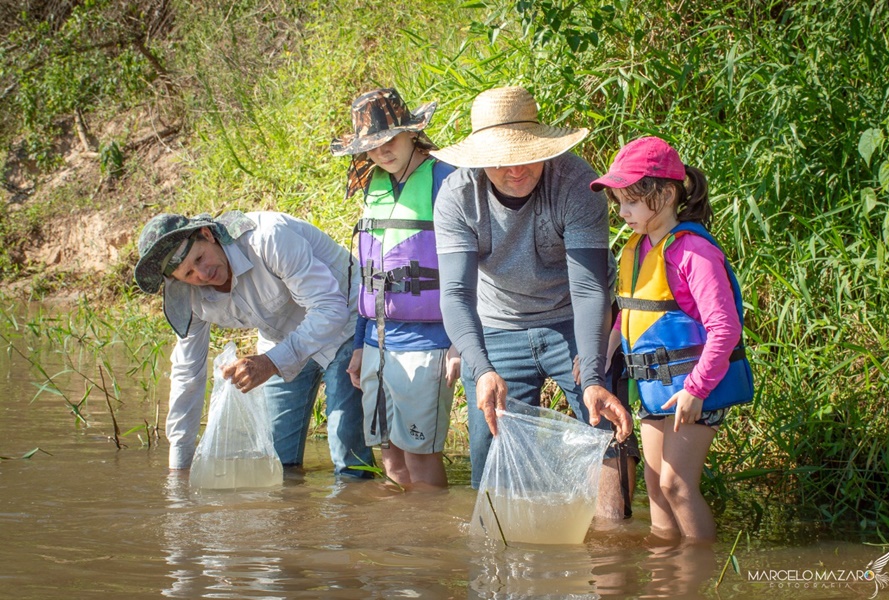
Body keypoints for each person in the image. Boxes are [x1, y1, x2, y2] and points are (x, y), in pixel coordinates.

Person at [430, 86, 638, 506]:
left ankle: (614, 544)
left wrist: (594, 375)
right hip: (498, 324)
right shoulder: (457, 196)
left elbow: (588, 287)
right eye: (502, 160)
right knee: (495, 456)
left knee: (604, 432)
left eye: (526, 154)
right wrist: (482, 367)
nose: (516, 170)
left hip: (573, 321)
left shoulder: (577, 183)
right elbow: (454, 293)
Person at [591, 136, 754, 540]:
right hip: (655, 388)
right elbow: (633, 311)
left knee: (676, 486)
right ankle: (667, 577)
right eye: (618, 203)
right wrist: (606, 347)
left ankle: (701, 575)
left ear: (663, 195)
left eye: (629, 201)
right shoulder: (639, 246)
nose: (622, 212)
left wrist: (695, 390)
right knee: (655, 485)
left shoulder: (692, 252)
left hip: (693, 390)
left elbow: (725, 328)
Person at [133, 210, 374, 477]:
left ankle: (356, 505)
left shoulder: (267, 238)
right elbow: (187, 373)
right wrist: (179, 467)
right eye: (189, 273)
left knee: (347, 452)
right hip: (281, 340)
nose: (203, 274)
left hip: (348, 324)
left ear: (207, 234)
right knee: (277, 463)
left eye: (200, 258)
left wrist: (270, 363)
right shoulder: (188, 297)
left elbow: (330, 309)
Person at [330, 88, 461, 487]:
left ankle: (429, 547)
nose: (383, 152)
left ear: (412, 133)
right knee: (390, 459)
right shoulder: (374, 184)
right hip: (377, 344)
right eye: (372, 146)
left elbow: (472, 264)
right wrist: (358, 343)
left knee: (421, 461)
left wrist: (459, 341)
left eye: (390, 140)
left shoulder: (446, 177)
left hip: (428, 342)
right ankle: (400, 545)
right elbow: (369, 275)